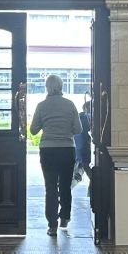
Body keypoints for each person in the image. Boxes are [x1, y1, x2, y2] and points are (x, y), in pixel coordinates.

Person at [29, 74, 82, 236]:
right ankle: (64, 217)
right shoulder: (70, 104)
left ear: (47, 87)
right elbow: (78, 129)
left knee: (50, 187)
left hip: (48, 150)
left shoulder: (41, 106)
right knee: (65, 185)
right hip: (67, 149)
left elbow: (33, 130)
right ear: (61, 86)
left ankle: (52, 225)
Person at [74, 96, 93, 182]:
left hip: (80, 150)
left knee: (83, 167)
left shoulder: (79, 118)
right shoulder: (86, 119)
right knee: (91, 175)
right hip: (86, 150)